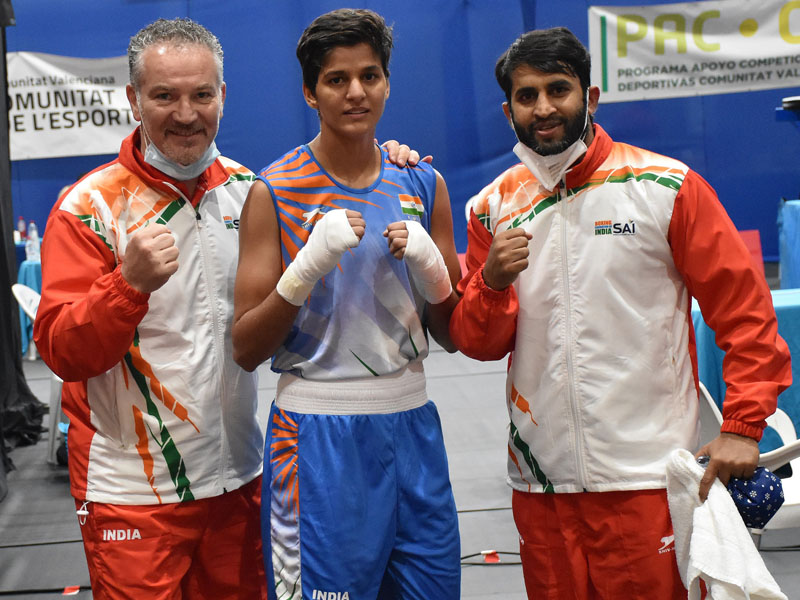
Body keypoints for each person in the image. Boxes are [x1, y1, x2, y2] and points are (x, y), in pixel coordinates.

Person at [32, 17, 420, 599]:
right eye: (164, 96)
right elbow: (63, 352)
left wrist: (388, 158)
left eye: (201, 95)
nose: (186, 113)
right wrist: (125, 287)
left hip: (240, 480)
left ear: (223, 97)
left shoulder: (251, 190)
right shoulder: (88, 207)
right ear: (133, 99)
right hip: (133, 493)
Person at [448, 27, 792, 599]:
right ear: (508, 109)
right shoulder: (491, 206)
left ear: (592, 96)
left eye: (559, 89)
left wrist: (742, 426)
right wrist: (490, 283)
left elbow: (745, 312)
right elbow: (478, 343)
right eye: (527, 95)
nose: (544, 107)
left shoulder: (666, 186)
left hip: (648, 480)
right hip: (542, 485)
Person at [232, 9, 462, 599]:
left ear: (387, 81)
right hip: (316, 438)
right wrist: (308, 265)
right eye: (337, 79)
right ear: (310, 92)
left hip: (414, 428)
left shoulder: (422, 184)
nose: (356, 92)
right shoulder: (274, 190)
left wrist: (431, 268)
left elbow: (454, 333)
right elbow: (246, 346)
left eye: (371, 75)